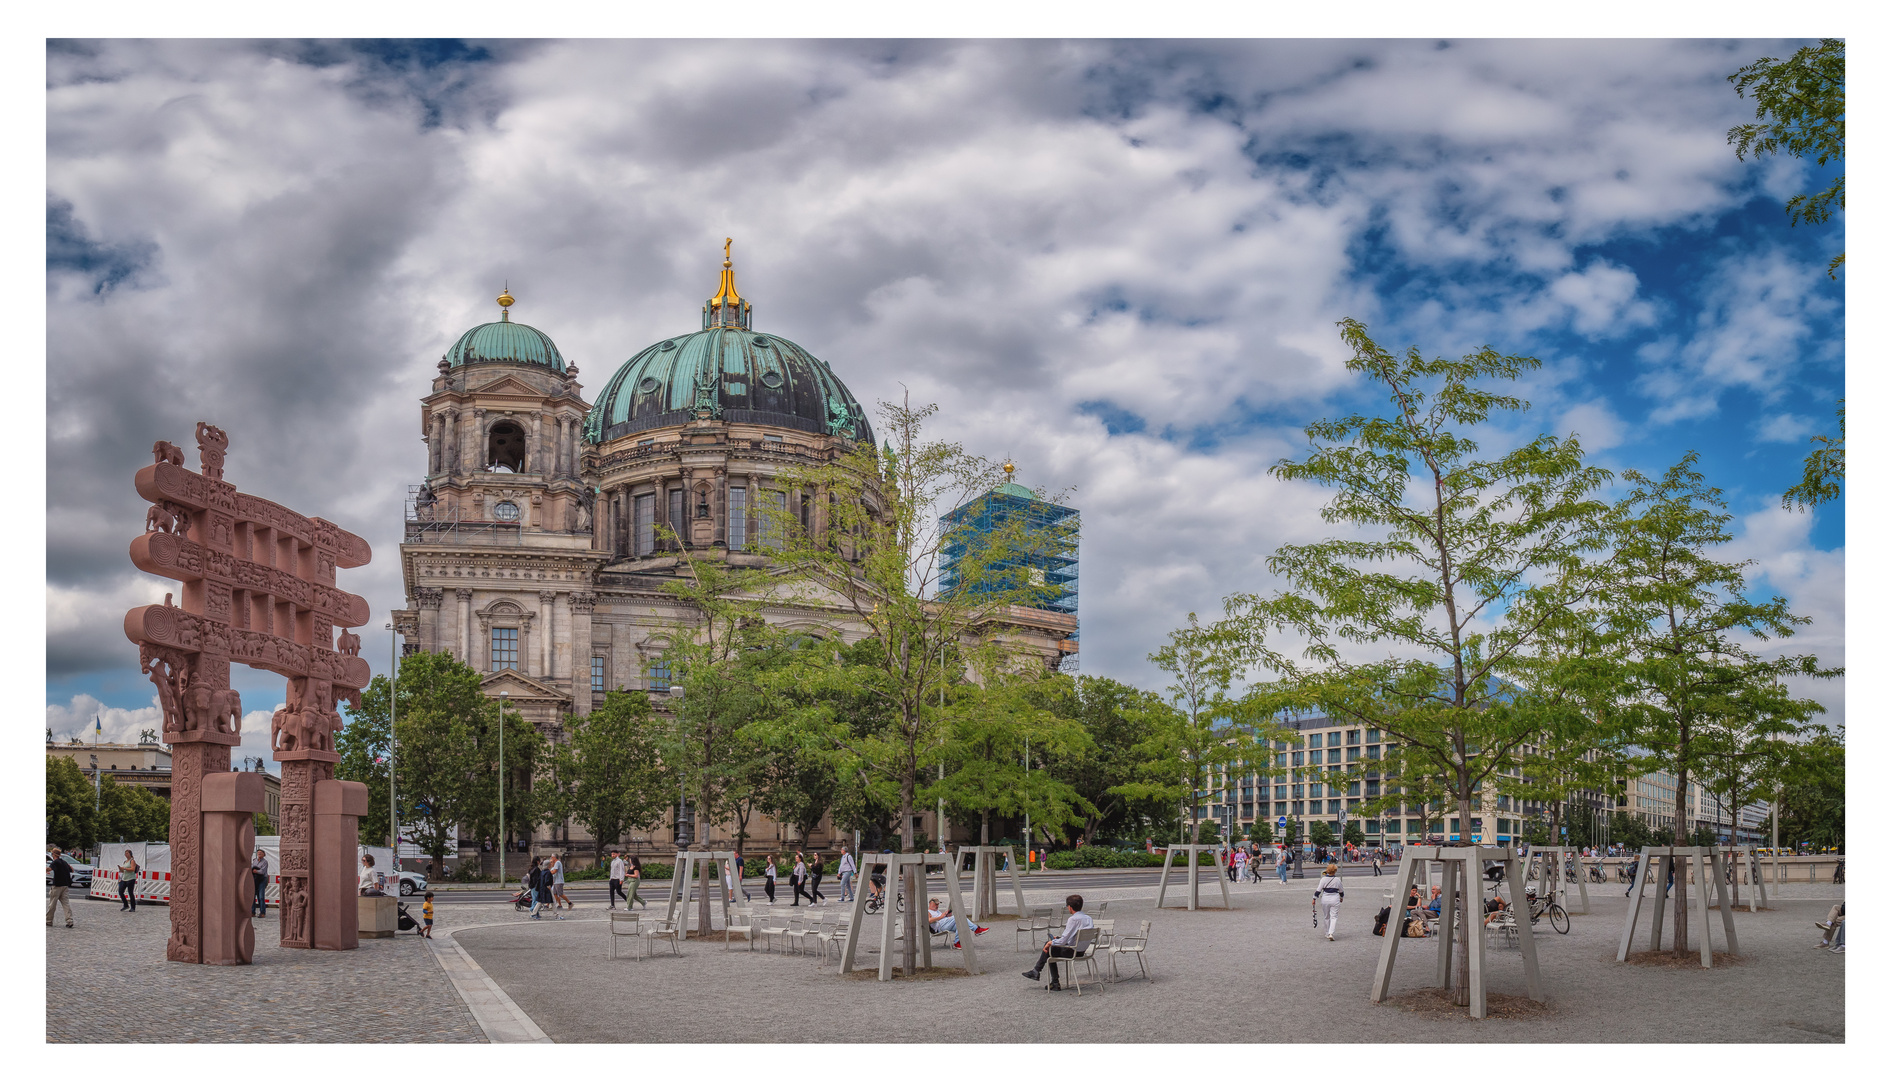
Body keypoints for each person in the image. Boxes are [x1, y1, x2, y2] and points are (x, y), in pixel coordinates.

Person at [1022, 895, 1092, 991]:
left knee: (1049, 948)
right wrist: (1057, 940)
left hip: (1072, 951)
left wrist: (1052, 942)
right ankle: (1039, 973)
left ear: (1069, 907)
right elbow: (1074, 937)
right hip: (1082, 951)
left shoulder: (1073, 919)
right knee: (1052, 946)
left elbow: (1063, 941)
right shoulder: (1088, 918)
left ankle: (1044, 975)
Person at [925, 897, 990, 948]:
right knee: (958, 916)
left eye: (938, 904)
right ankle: (976, 929)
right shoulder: (928, 911)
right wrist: (941, 917)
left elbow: (943, 918)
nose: (937, 905)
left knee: (960, 923)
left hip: (945, 924)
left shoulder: (937, 911)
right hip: (940, 927)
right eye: (936, 904)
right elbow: (929, 920)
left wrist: (947, 915)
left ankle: (957, 943)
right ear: (930, 904)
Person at [1314, 864, 1345, 940]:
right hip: (1335, 898)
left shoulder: (1323, 879)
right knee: (1334, 917)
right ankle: (1331, 933)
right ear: (1335, 871)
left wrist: (1314, 898)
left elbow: (1318, 890)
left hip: (1325, 898)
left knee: (1326, 917)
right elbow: (1341, 891)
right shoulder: (1337, 880)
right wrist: (1341, 897)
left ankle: (1327, 933)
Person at [47, 848, 75, 928]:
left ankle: (48, 921)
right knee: (66, 904)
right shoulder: (64, 862)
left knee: (52, 904)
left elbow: (50, 869)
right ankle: (69, 920)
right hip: (65, 885)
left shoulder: (55, 862)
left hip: (57, 885)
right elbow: (72, 870)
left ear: (53, 855)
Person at [120, 848, 141, 913]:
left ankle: (133, 907)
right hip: (124, 878)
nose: (126, 854)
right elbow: (123, 871)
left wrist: (125, 868)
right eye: (125, 853)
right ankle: (125, 904)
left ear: (130, 854)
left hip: (131, 878)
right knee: (120, 891)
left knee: (130, 893)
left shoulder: (132, 861)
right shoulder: (125, 861)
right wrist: (121, 869)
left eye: (127, 853)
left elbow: (132, 869)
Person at [250, 847, 269, 917]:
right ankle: (252, 911)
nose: (259, 854)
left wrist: (256, 871)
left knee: (261, 896)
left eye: (261, 853)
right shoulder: (254, 861)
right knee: (252, 896)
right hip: (255, 879)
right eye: (258, 853)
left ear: (264, 854)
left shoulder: (265, 862)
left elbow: (262, 871)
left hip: (262, 879)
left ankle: (262, 912)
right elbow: (251, 867)